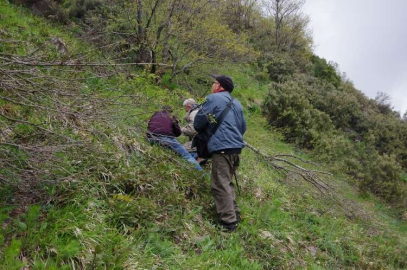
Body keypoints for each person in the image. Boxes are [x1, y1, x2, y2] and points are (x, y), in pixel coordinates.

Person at [194, 75, 247, 232]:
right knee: (226, 182)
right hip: (236, 148)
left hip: (222, 147)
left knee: (219, 184)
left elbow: (198, 123)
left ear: (219, 86)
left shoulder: (213, 99)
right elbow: (243, 127)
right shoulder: (237, 103)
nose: (212, 85)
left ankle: (228, 223)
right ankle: (235, 213)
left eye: (214, 82)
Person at [147, 105, 202, 171]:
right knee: (186, 155)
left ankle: (196, 156)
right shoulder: (171, 116)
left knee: (169, 150)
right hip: (166, 138)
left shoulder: (155, 114)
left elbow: (149, 126)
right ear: (171, 111)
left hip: (151, 138)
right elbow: (178, 132)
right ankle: (202, 173)